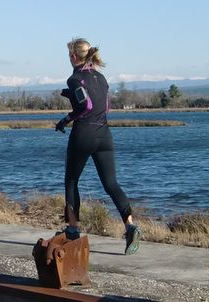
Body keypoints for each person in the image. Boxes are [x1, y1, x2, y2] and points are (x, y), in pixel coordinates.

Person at [55, 37, 141, 255]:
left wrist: (67, 119)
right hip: (104, 135)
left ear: (74, 56)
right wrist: (71, 97)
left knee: (72, 180)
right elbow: (104, 107)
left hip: (83, 134)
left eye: (69, 55)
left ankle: (73, 229)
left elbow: (86, 105)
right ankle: (130, 225)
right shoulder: (101, 78)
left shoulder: (74, 78)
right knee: (111, 183)